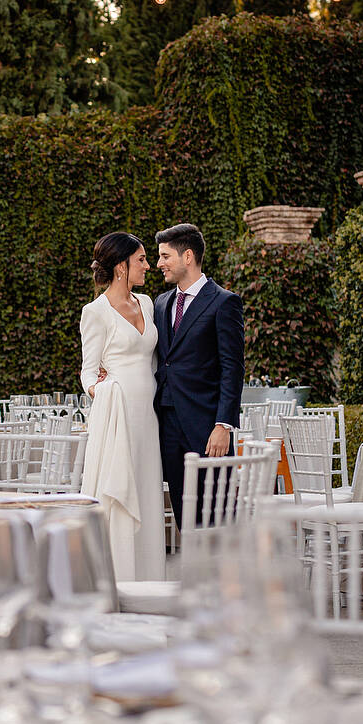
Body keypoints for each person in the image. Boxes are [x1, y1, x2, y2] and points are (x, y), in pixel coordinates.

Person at [79, 232, 165, 582]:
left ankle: (149, 580)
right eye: (141, 259)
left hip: (149, 417)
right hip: (117, 418)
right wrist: (100, 389)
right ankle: (120, 581)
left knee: (146, 493)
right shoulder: (95, 312)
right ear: (121, 267)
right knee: (120, 498)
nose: (148, 265)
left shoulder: (147, 303)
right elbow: (88, 370)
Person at [152, 223, 244, 529]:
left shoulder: (223, 302)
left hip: (208, 428)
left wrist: (223, 425)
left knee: (217, 517)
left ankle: (225, 576)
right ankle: (193, 576)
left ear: (187, 256)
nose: (159, 264)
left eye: (165, 256)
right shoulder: (161, 303)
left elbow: (233, 368)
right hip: (168, 425)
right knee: (184, 517)